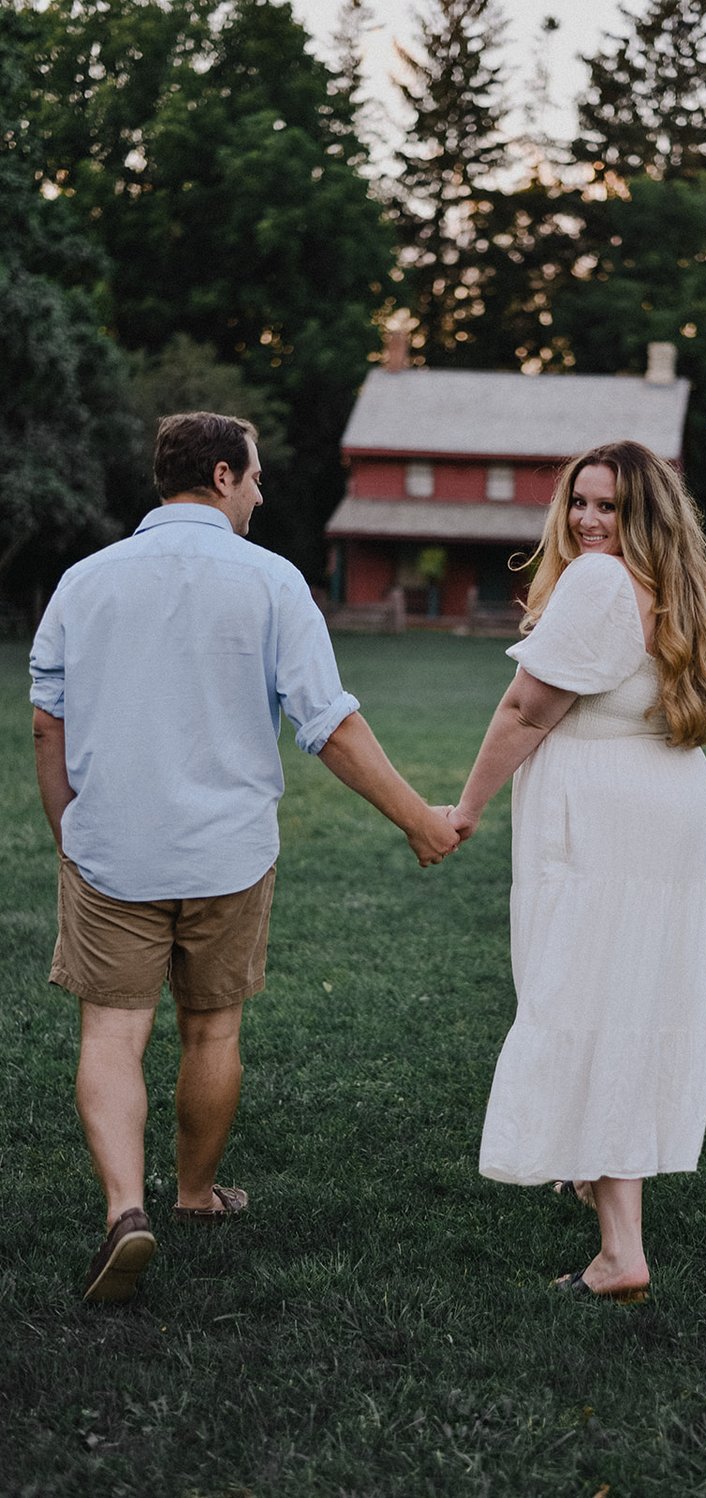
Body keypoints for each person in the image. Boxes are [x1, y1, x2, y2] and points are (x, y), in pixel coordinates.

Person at [30, 410, 459, 1305]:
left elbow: (46, 719)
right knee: (211, 1029)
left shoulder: (83, 581)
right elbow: (328, 725)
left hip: (112, 848)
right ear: (222, 475)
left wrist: (69, 827)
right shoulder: (271, 582)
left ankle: (123, 1210)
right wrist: (418, 818)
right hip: (227, 854)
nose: (261, 494)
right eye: (256, 477)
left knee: (114, 1031)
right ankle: (193, 1193)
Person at [448, 439, 706, 1302]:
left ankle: (620, 1253)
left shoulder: (600, 581)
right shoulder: (677, 585)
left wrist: (462, 809)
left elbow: (526, 709)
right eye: (579, 501)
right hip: (670, 798)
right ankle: (596, 1168)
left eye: (608, 506)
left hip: (608, 811)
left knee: (588, 994)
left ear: (641, 514)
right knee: (634, 988)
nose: (586, 520)